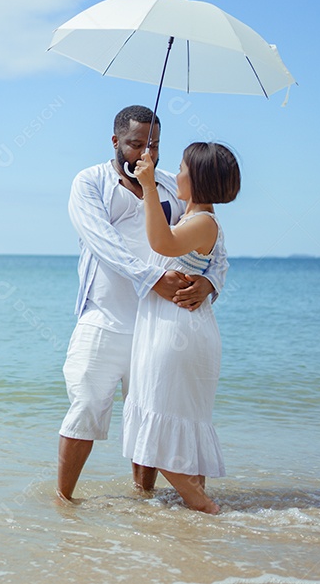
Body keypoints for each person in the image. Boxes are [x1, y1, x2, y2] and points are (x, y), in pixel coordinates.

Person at [57, 106, 228, 503]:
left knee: (150, 413)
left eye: (153, 145)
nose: (144, 153)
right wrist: (152, 279)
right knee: (85, 405)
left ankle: (143, 500)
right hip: (104, 318)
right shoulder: (90, 182)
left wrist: (209, 282)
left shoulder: (170, 183)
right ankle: (64, 503)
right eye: (135, 144)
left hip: (159, 327)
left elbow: (214, 243)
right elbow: (103, 242)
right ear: (116, 141)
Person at [121, 141, 241, 514]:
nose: (177, 174)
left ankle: (204, 506)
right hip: (180, 329)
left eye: (183, 169)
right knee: (181, 421)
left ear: (199, 179)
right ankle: (198, 526)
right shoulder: (196, 221)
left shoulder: (203, 222)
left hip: (175, 333)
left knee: (161, 420)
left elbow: (162, 242)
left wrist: (151, 186)